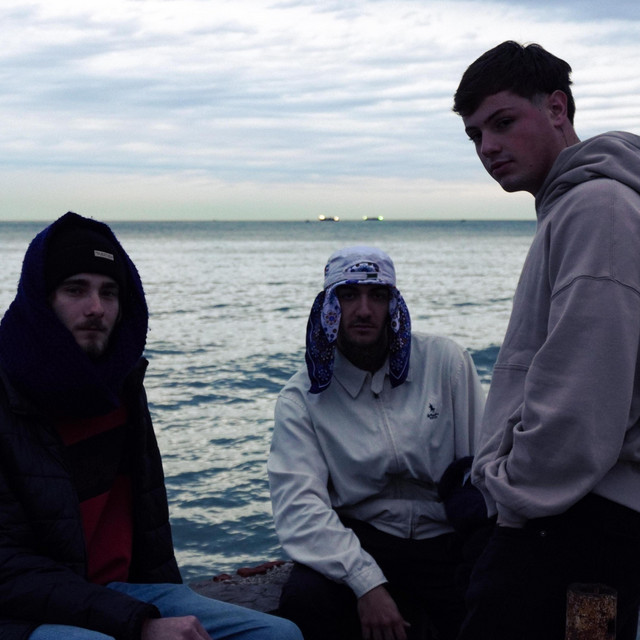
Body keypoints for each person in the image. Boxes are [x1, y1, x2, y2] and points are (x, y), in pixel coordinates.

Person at [0, 211, 303, 640]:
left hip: (123, 592)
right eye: (75, 290)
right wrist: (138, 623)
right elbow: (8, 567)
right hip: (24, 609)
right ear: (41, 298)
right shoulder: (8, 393)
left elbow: (149, 531)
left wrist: (162, 605)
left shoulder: (121, 385)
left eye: (109, 292)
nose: (96, 308)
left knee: (279, 634)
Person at [452, 40, 640, 640]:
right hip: (583, 516)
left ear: (557, 108)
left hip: (574, 524)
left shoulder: (596, 207)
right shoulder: (580, 205)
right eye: (475, 135)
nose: (488, 147)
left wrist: (511, 493)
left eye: (503, 122)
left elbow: (582, 400)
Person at [267, 246, 486, 640]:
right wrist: (365, 582)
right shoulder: (301, 398)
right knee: (304, 600)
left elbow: (481, 467)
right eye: (349, 295)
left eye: (377, 295)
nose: (364, 310)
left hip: (446, 538)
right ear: (329, 306)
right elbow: (299, 508)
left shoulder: (446, 362)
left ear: (393, 304)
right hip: (362, 539)